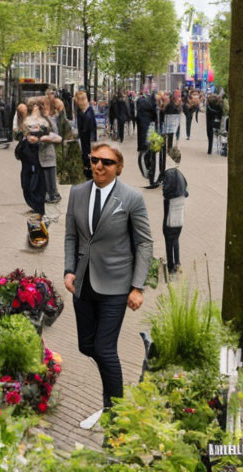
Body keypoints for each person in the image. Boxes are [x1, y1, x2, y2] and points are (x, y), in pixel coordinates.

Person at [63, 142, 153, 411]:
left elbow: (144, 243)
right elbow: (71, 235)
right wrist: (69, 269)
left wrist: (137, 287)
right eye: (94, 160)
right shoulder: (77, 193)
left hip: (116, 284)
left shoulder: (131, 198)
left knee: (104, 349)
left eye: (106, 162)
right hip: (84, 282)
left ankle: (115, 410)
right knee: (86, 345)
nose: (98, 166)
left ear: (119, 168)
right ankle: (113, 398)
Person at [15, 99, 49, 217]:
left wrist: (37, 139)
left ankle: (38, 207)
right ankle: (34, 205)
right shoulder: (25, 121)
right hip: (26, 155)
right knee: (26, 182)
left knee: (35, 182)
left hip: (35, 155)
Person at [161, 146, 188, 276]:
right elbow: (186, 192)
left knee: (168, 237)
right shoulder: (181, 174)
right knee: (175, 238)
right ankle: (177, 263)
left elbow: (166, 191)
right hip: (180, 214)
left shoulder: (169, 173)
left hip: (171, 212)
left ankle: (171, 267)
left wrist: (163, 187)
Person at [39, 99, 63, 203]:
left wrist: (47, 138)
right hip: (42, 151)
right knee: (46, 175)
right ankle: (50, 194)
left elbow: (56, 134)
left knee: (50, 175)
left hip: (48, 151)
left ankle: (53, 194)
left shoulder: (49, 119)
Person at [75, 91, 97, 179]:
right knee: (85, 156)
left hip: (88, 137)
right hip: (83, 137)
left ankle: (90, 174)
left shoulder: (89, 110)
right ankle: (87, 172)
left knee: (89, 156)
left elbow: (92, 126)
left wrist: (92, 140)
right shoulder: (79, 110)